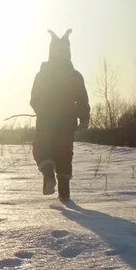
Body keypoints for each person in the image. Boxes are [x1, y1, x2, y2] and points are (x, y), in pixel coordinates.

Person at [30, 28, 90, 201]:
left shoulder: (43, 74)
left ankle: (48, 175)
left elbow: (34, 98)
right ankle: (64, 195)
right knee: (64, 154)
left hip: (46, 122)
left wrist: (43, 111)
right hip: (67, 122)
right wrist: (84, 118)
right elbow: (82, 100)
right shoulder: (75, 76)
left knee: (42, 148)